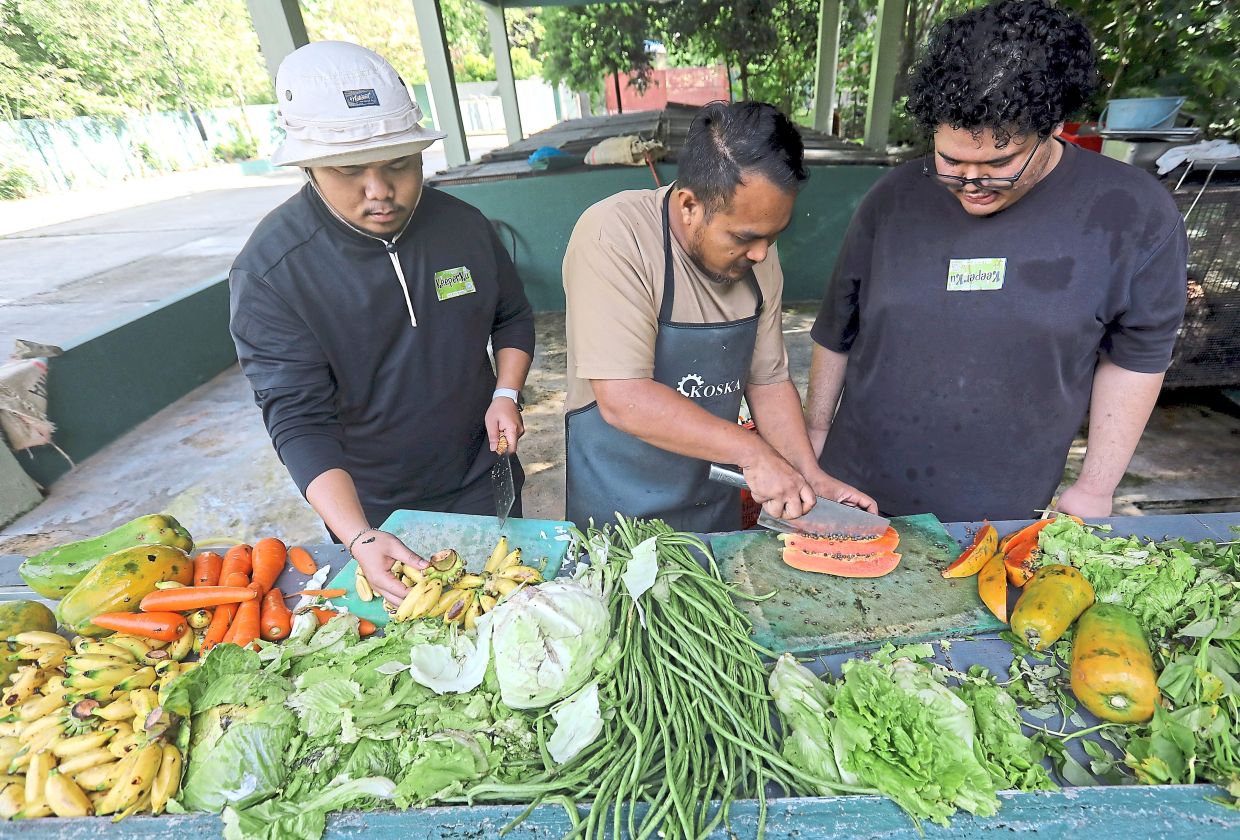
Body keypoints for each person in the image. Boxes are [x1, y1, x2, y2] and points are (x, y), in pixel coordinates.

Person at [805, 0, 1187, 523]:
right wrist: (814, 437)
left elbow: (1137, 359)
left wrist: (1097, 486)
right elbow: (836, 328)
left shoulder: (1133, 215)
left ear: (1051, 125)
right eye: (950, 159)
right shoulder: (893, 199)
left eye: (998, 163)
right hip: (854, 491)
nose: (970, 181)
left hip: (1000, 511)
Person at [229, 42, 535, 604]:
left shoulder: (463, 227)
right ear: (309, 166)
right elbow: (298, 422)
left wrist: (506, 392)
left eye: (399, 164)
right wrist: (359, 533)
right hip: (373, 506)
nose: (380, 190)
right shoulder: (273, 271)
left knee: (507, 611)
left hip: (484, 471)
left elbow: (511, 317)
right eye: (349, 171)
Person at [563, 100, 875, 533]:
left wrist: (809, 475)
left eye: (772, 236)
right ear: (690, 204)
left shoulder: (759, 253)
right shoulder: (614, 237)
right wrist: (754, 453)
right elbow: (624, 397)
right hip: (618, 519)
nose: (762, 253)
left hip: (713, 513)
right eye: (745, 237)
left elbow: (767, 380)